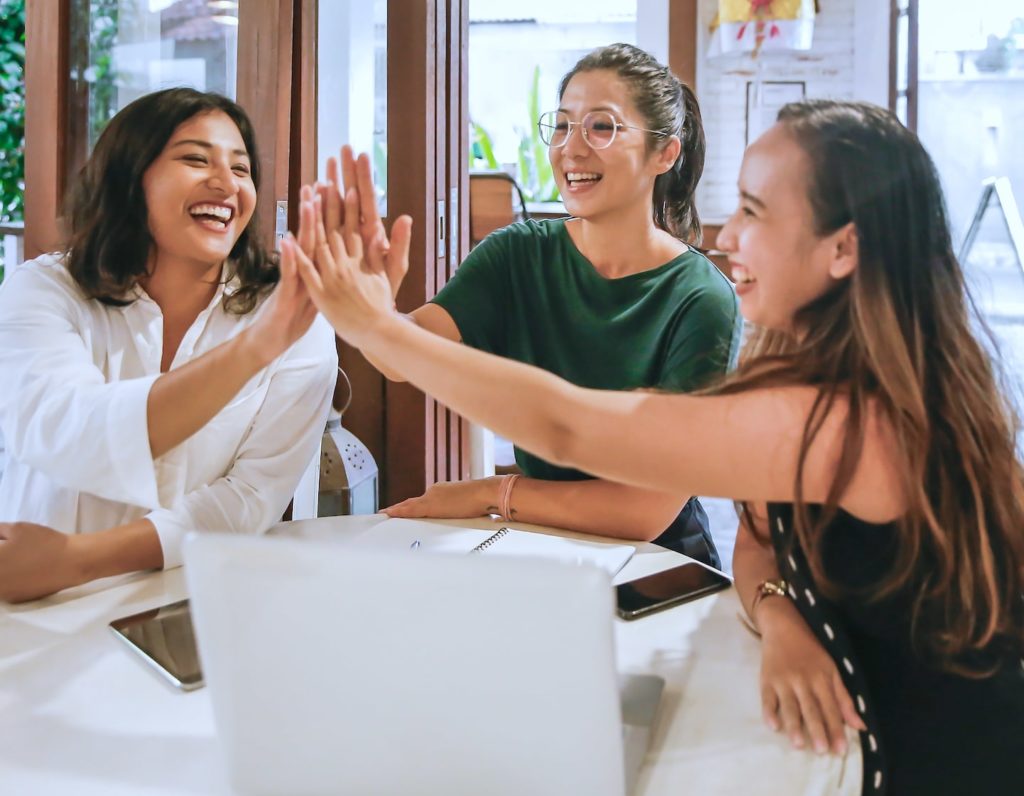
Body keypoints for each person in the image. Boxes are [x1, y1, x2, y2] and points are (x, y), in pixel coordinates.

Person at [294, 100, 1024, 793]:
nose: (725, 235)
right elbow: (761, 542)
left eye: (754, 212)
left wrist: (378, 328)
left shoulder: (855, 422)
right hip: (843, 742)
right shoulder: (806, 374)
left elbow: (570, 425)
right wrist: (780, 614)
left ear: (843, 249)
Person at [318, 43, 740, 567]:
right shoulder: (517, 254)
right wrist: (375, 317)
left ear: (664, 153)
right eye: (562, 126)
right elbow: (403, 358)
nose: (572, 149)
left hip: (660, 565)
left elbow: (645, 509)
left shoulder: (700, 298)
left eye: (601, 127)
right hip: (543, 547)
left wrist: (489, 494)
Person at [0, 88, 337, 603]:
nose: (226, 183)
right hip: (34, 602)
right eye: (195, 159)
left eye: (242, 169)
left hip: (191, 604)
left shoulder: (292, 319)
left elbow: (251, 497)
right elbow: (71, 431)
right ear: (130, 179)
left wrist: (78, 559)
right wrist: (254, 348)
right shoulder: (42, 291)